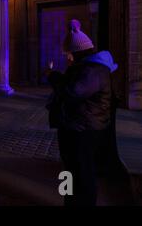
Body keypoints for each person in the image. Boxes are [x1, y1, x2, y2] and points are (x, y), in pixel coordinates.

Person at [46, 19, 118, 206]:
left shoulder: (92, 70)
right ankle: (70, 201)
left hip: (82, 129)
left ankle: (80, 203)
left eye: (69, 53)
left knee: (82, 172)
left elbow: (72, 91)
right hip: (78, 126)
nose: (68, 57)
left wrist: (53, 77)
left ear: (77, 52)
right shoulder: (88, 68)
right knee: (71, 169)